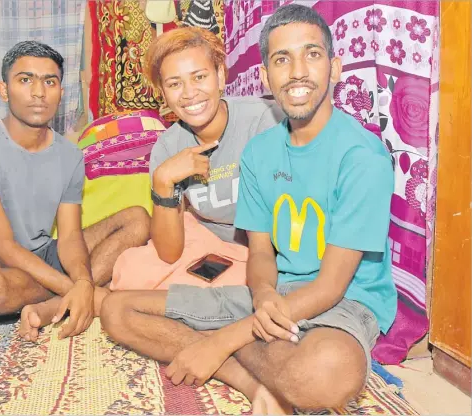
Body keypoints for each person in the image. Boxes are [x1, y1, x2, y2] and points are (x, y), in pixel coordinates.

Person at [101, 4, 397, 414]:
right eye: (281, 59)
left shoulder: (363, 156)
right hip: (272, 290)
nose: (296, 71)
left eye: (311, 54)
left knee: (326, 374)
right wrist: (261, 296)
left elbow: (329, 287)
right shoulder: (259, 152)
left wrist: (224, 339)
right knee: (116, 309)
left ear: (335, 67)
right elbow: (260, 251)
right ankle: (245, 376)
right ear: (264, 76)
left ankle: (215, 344)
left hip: (346, 298)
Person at [0, 41, 150, 343]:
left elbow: (69, 236)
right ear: (4, 90)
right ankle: (83, 296)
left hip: (45, 255)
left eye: (49, 81)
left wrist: (82, 280)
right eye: (25, 80)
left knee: (138, 218)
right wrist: (77, 287)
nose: (39, 92)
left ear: (60, 93)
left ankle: (56, 304)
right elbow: (3, 246)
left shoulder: (70, 154)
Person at [110, 26, 283, 291]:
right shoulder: (167, 147)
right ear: (163, 94)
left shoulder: (264, 122)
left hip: (268, 249)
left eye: (199, 77)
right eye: (175, 84)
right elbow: (169, 253)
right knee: (132, 271)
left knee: (240, 291)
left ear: (221, 76)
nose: (189, 93)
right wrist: (163, 181)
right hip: (210, 243)